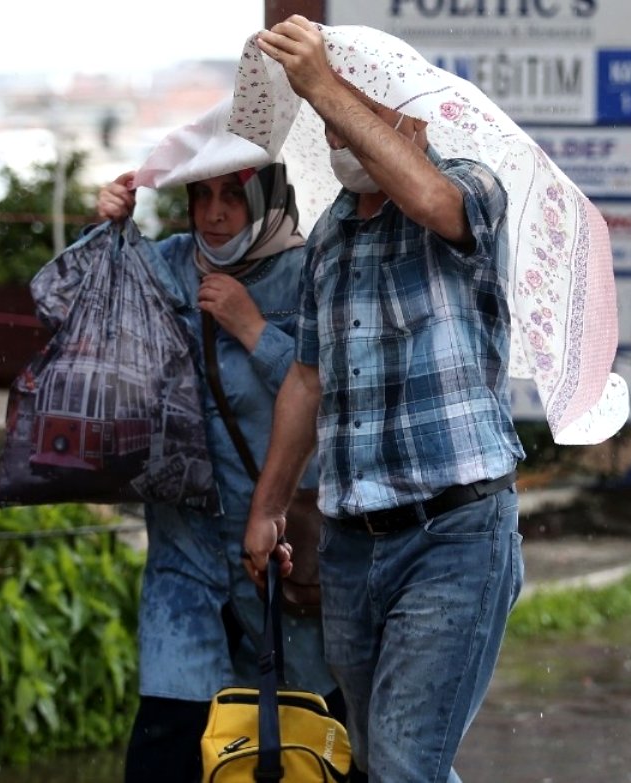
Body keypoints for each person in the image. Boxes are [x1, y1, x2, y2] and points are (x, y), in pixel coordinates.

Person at [242, 16, 530, 782]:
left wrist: (325, 85)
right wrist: (268, 507)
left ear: (409, 114)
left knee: (405, 765)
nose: (340, 132)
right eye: (332, 121)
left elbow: (434, 202)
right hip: (352, 545)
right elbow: (307, 378)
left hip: (455, 535)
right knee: (387, 764)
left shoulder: (468, 187)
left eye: (358, 113)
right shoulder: (330, 236)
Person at [97, 159, 343, 782]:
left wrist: (254, 329)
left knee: (303, 744)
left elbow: (336, 391)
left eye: (233, 195)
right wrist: (107, 229)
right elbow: (87, 310)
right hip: (186, 553)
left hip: (283, 561)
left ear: (266, 197)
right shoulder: (169, 263)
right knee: (168, 744)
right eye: (200, 196)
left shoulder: (309, 271)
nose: (214, 213)